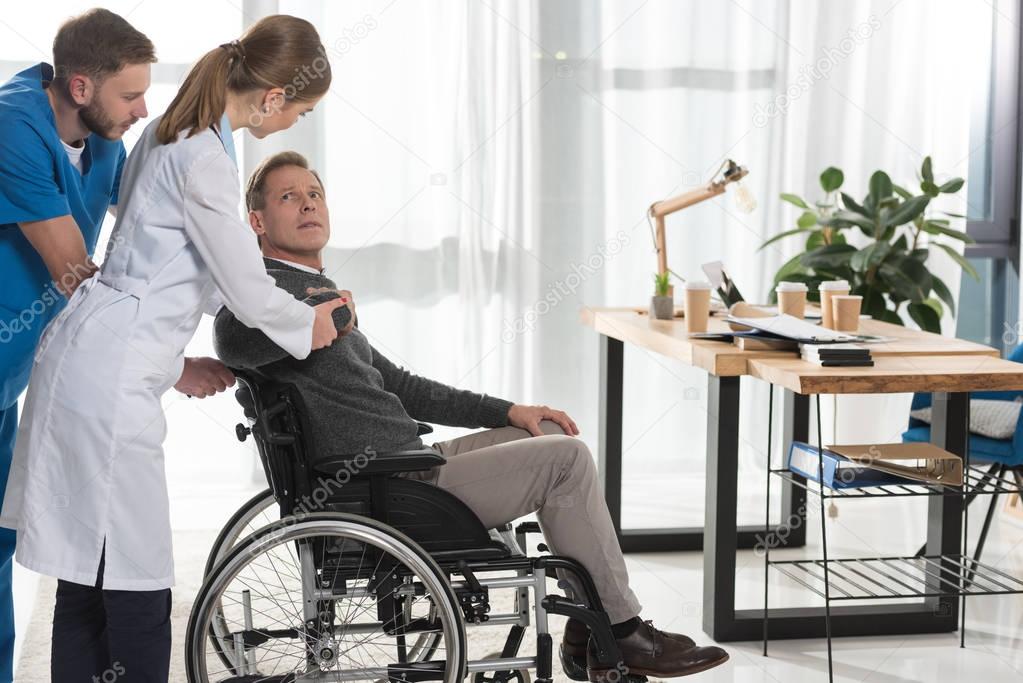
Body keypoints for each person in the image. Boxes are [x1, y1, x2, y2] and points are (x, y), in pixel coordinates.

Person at [213, 151, 731, 681]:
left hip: (406, 465)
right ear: (257, 222)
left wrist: (510, 410)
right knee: (567, 460)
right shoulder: (267, 297)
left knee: (548, 431)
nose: (307, 204)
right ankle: (622, 632)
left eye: (314, 194)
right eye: (288, 197)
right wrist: (329, 314)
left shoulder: (309, 291)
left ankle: (586, 625)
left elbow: (406, 388)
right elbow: (229, 335)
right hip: (382, 486)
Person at [0, 16, 350, 682]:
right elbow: (243, 286)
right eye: (301, 109)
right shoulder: (203, 156)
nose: (296, 123)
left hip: (93, 355)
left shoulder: (174, 134)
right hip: (108, 372)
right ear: (273, 97)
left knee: (88, 568)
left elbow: (180, 267)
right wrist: (310, 324)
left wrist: (177, 361)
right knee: (139, 575)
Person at [0, 9, 153, 680]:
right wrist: (163, 354)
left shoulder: (104, 139)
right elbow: (71, 271)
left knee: (2, 539)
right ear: (82, 87)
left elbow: (156, 219)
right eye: (130, 95)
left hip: (12, 371)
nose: (142, 110)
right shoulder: (12, 125)